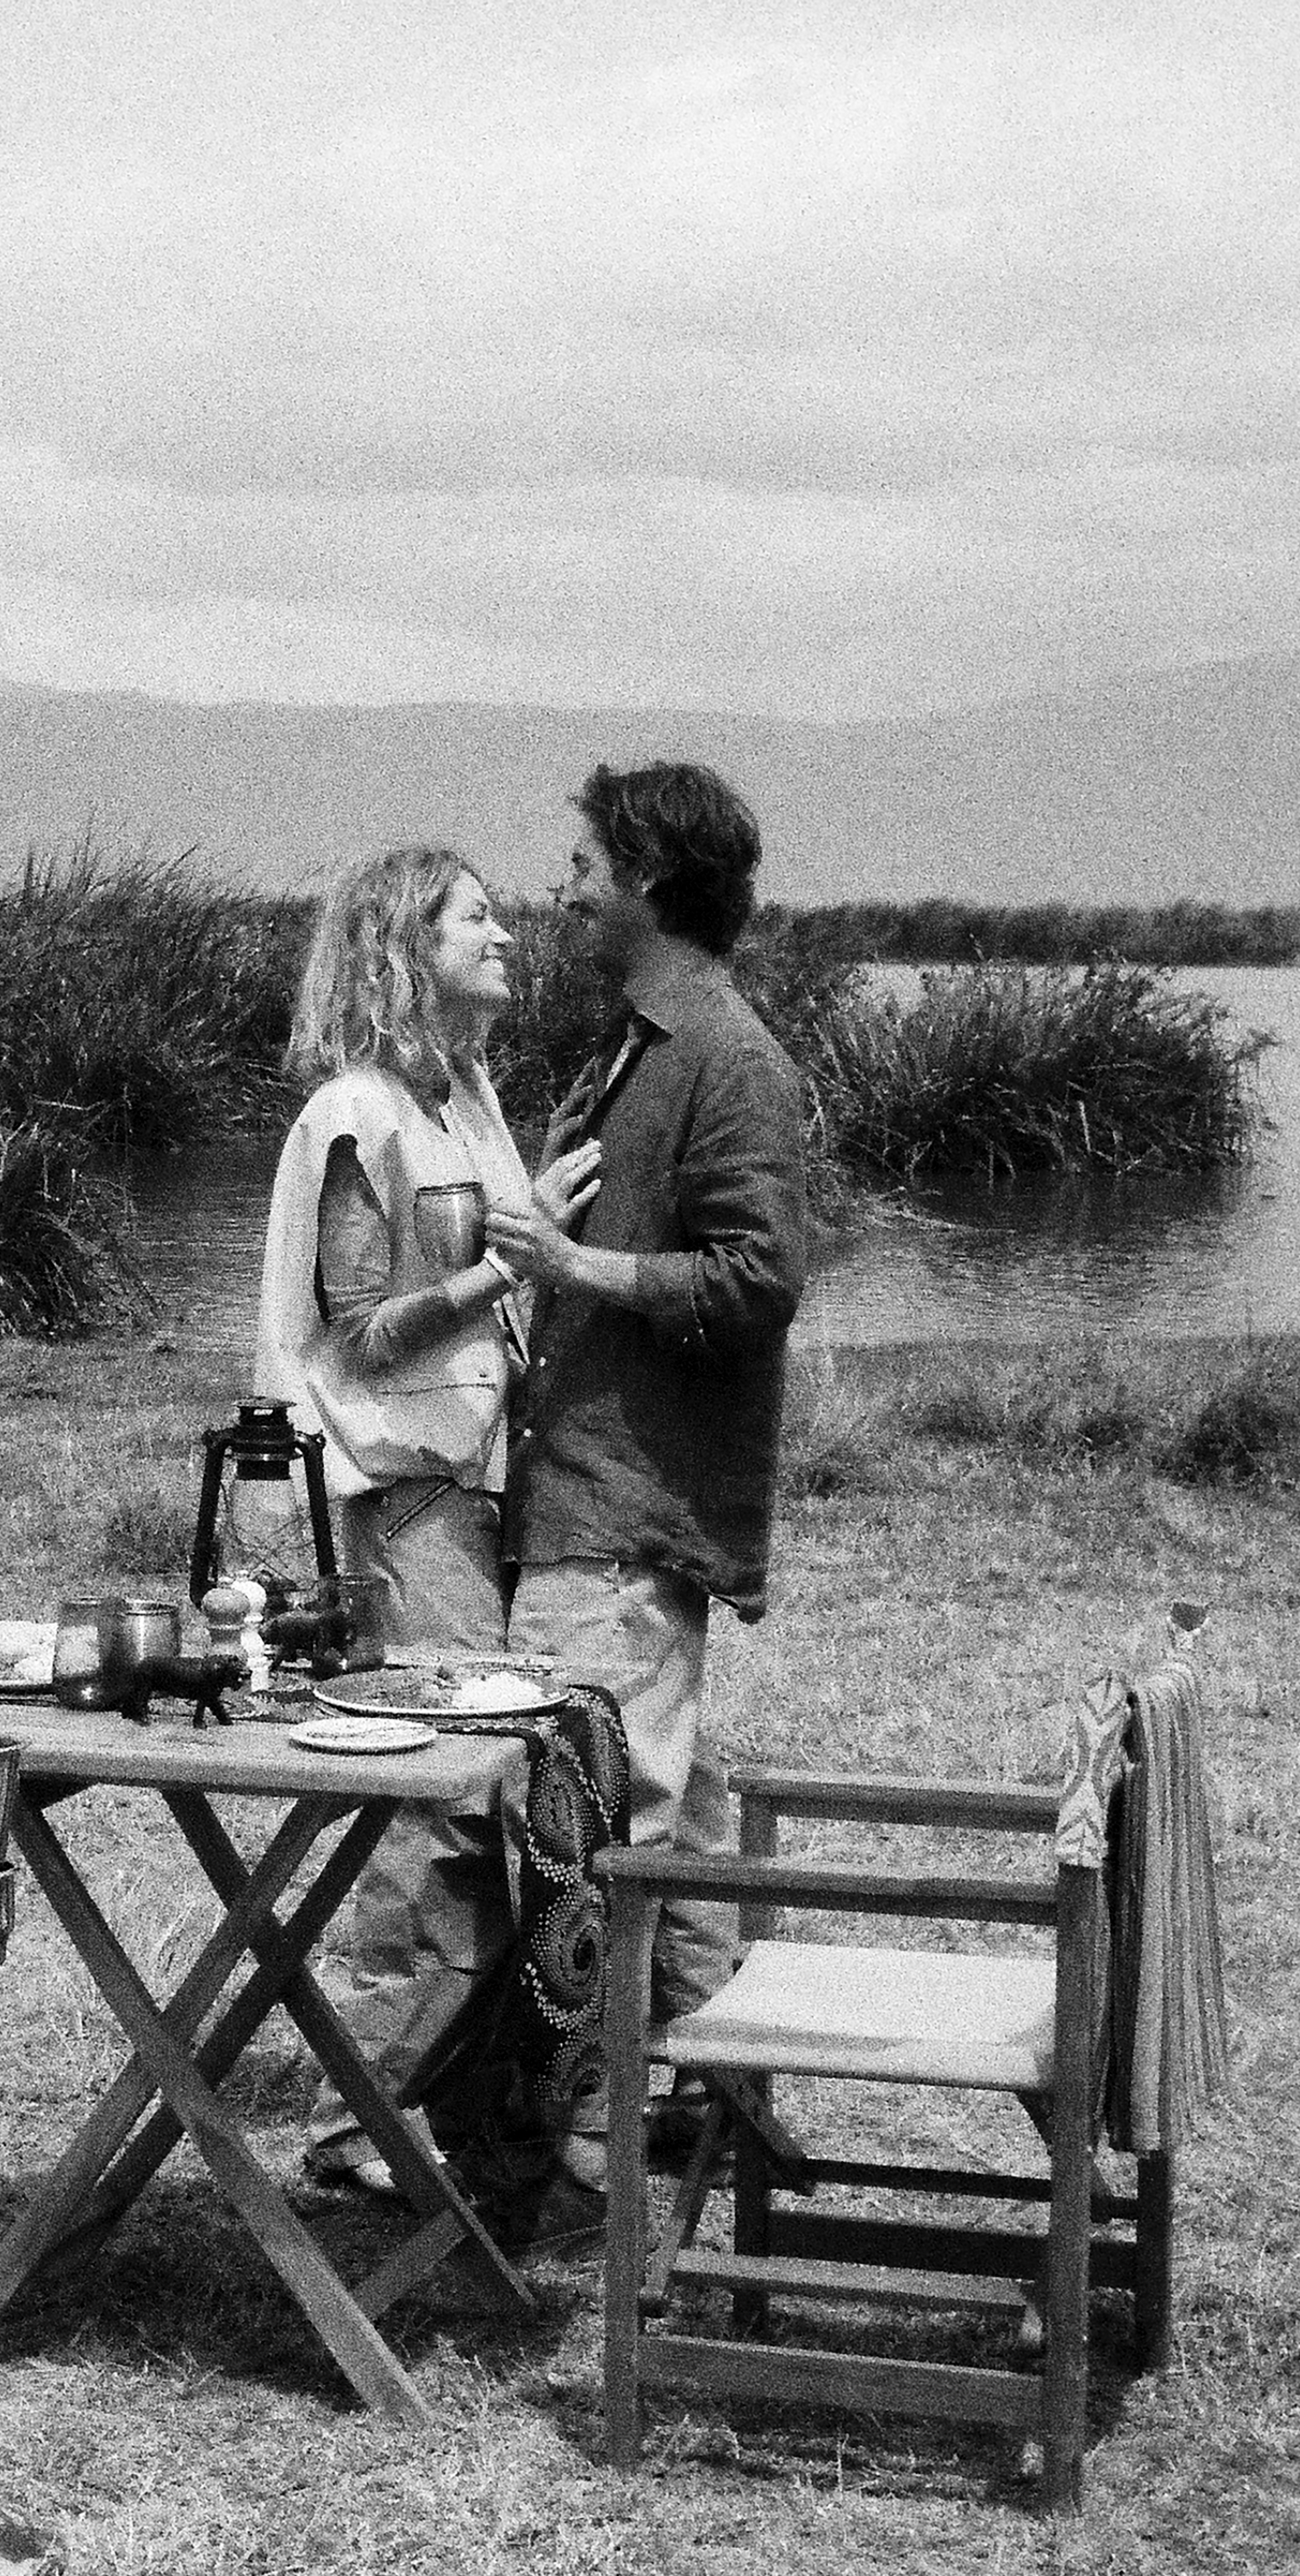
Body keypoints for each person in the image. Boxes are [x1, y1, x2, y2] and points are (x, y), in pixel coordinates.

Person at [481, 761, 813, 2183]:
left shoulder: (727, 1056)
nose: (558, 887)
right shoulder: (640, 1044)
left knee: (580, 1834)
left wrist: (580, 1266)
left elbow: (763, 1276)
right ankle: (708, 2111)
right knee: (656, 1813)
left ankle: (576, 2143)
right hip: (596, 1500)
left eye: (581, 862)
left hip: (624, 1518)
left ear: (646, 879)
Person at [253, 845, 590, 2195]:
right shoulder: (356, 1111)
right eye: (475, 918)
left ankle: (473, 2101)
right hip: (406, 1489)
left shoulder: (469, 1096)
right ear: (402, 946)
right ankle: (363, 2120)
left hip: (488, 1471)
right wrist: (499, 1269)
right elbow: (354, 1324)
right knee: (432, 1797)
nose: (508, 933)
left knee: (505, 1783)